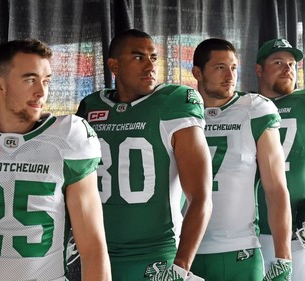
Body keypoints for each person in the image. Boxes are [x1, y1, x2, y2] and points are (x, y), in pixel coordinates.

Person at [0, 39, 111, 281]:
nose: (42, 92)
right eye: (30, 79)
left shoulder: (66, 139)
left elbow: (93, 248)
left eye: (46, 80)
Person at [76, 29, 213, 281]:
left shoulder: (174, 102)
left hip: (157, 256)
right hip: (98, 254)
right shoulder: (90, 107)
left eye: (153, 57)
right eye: (138, 57)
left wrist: (180, 267)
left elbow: (201, 197)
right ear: (114, 66)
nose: (150, 65)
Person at [190, 38, 292, 281]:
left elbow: (276, 189)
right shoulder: (178, 111)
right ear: (197, 72)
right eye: (219, 67)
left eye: (234, 68)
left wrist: (283, 258)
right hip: (184, 249)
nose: (230, 76)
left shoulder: (254, 109)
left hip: (238, 250)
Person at [255, 38, 305, 281]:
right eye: (278, 62)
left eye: (292, 64)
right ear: (259, 70)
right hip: (248, 232)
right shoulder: (245, 105)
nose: (288, 68)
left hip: (299, 233)